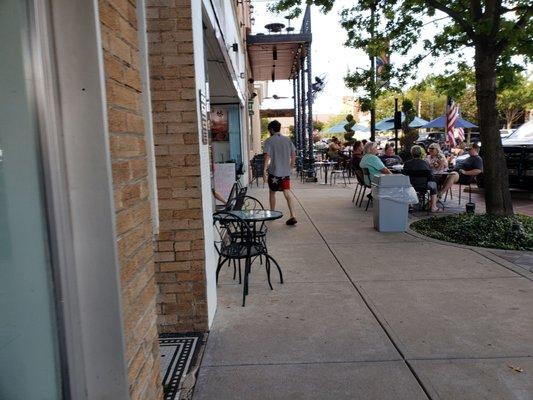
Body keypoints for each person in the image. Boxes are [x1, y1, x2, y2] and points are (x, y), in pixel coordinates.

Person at [263, 120, 298, 225]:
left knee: (272, 192)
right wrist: (291, 166)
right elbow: (293, 154)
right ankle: (293, 215)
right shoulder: (288, 140)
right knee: (287, 192)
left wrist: (264, 170)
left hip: (274, 172)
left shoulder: (269, 141)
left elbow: (267, 156)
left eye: (269, 130)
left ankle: (273, 214)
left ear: (272, 129)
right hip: (285, 172)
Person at [403, 145, 440, 212]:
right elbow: (430, 176)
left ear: (411, 154)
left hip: (410, 186)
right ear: (420, 154)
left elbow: (404, 176)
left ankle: (410, 205)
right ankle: (433, 207)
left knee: (404, 184)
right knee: (433, 184)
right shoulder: (425, 163)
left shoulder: (407, 164)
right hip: (424, 186)